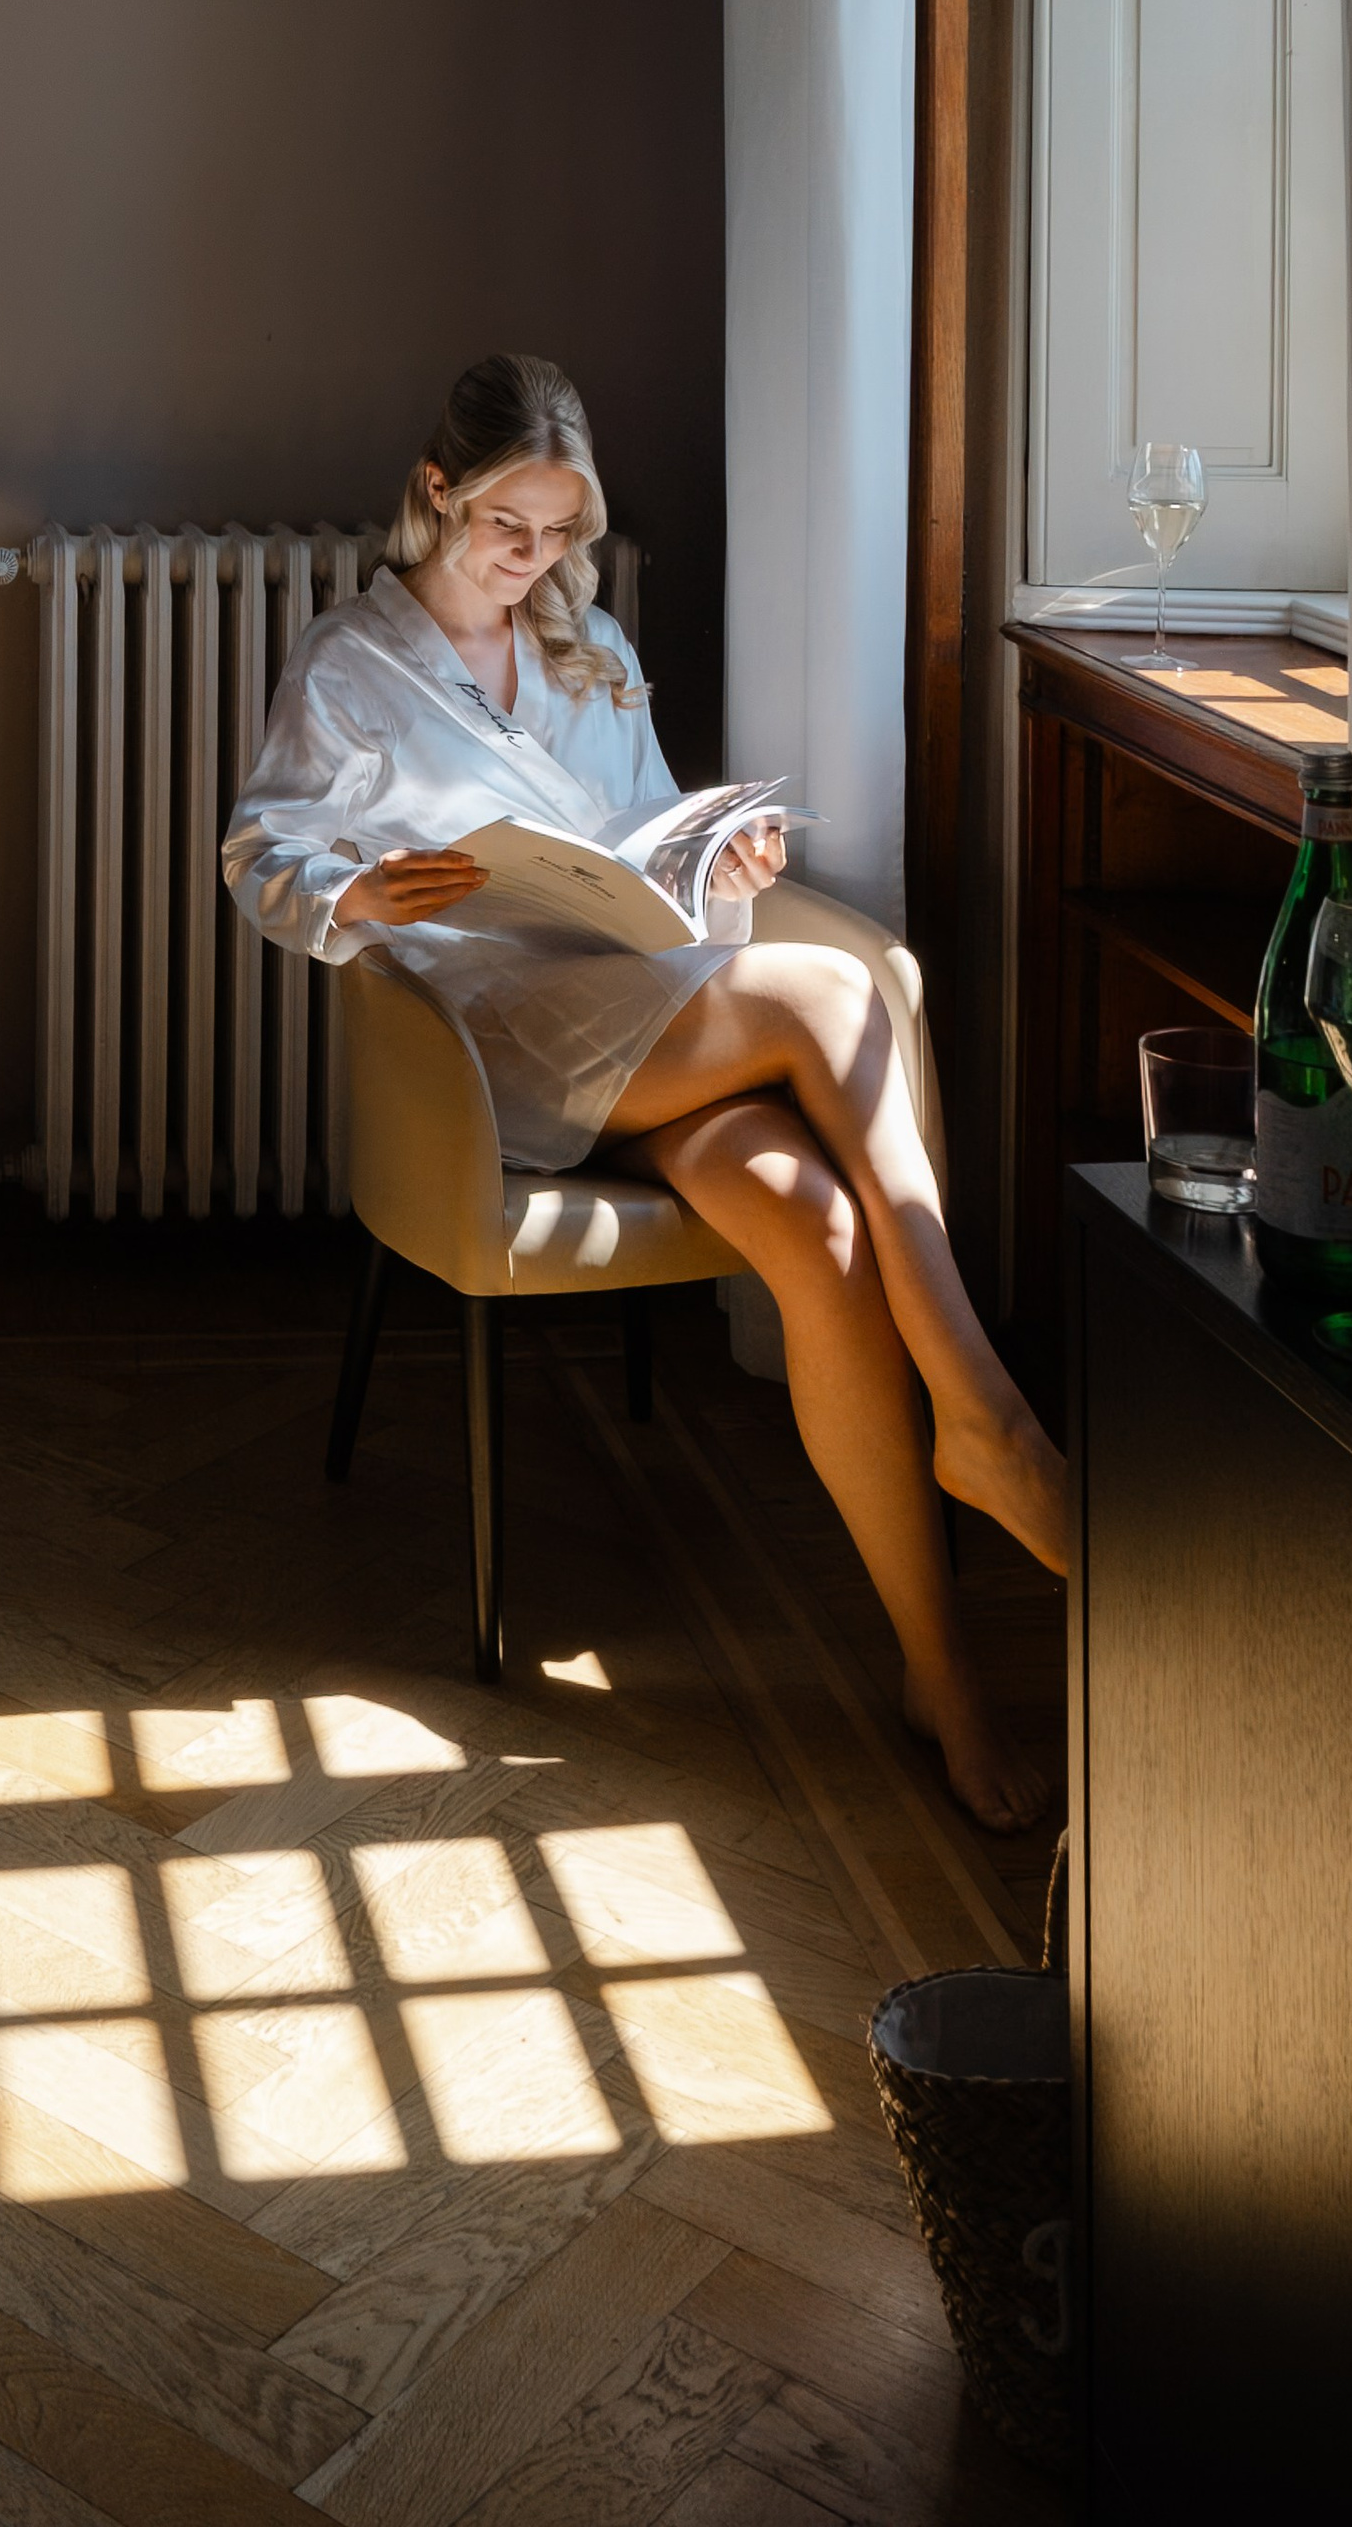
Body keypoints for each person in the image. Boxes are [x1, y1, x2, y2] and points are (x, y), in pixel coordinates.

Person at [224, 353, 1066, 1830]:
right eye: (507, 529)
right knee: (834, 989)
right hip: (491, 1042)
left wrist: (718, 876)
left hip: (645, 1013)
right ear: (438, 492)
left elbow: (652, 869)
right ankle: (982, 1407)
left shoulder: (589, 649)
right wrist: (362, 885)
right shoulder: (348, 667)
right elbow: (260, 856)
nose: (534, 563)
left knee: (815, 1228)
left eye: (558, 536)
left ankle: (941, 1674)